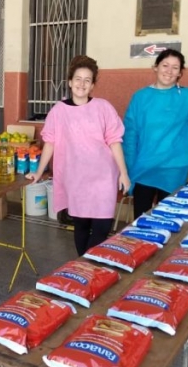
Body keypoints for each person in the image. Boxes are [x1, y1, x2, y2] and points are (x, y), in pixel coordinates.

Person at [26, 55, 131, 257]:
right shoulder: (58, 111)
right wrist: (39, 172)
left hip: (103, 177)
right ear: (69, 82)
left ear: (92, 85)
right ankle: (84, 266)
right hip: (75, 178)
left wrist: (123, 173)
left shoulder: (103, 107)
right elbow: (50, 143)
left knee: (102, 226)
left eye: (87, 80)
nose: (82, 84)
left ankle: (88, 265)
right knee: (81, 224)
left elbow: (115, 141)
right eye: (78, 79)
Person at [123, 48, 188, 218]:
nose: (169, 71)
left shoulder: (187, 96)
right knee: (141, 221)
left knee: (168, 219)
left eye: (175, 67)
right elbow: (130, 134)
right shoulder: (140, 97)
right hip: (144, 167)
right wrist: (129, 166)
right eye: (165, 65)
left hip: (174, 167)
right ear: (155, 67)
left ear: (180, 73)